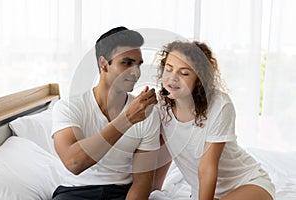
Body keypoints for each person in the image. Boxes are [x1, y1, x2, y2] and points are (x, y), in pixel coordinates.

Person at [152, 41, 275, 200]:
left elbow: (207, 166)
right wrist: (154, 192)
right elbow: (163, 152)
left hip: (246, 183)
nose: (173, 78)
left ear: (199, 79)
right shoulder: (161, 107)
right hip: (205, 191)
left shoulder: (220, 104)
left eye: (184, 73)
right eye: (168, 69)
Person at [51, 26, 160, 200]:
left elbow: (143, 181)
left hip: (122, 192)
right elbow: (74, 163)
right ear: (103, 63)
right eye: (126, 63)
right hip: (75, 192)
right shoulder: (68, 108)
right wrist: (127, 119)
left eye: (138, 64)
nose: (136, 72)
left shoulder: (147, 112)